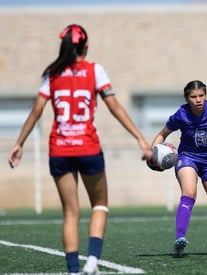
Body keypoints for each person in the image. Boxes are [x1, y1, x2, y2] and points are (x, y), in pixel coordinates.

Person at [8, 24, 152, 275]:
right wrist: (140, 137)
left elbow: (37, 110)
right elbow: (114, 107)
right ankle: (92, 261)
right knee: (100, 205)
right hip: (87, 148)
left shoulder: (51, 74)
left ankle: (74, 271)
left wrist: (19, 142)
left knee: (70, 213)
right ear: (86, 46)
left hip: (60, 150)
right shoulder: (95, 70)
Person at [148, 80, 207, 257]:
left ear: (205, 96)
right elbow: (162, 135)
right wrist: (153, 155)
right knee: (189, 193)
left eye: (201, 96)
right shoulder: (180, 115)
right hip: (187, 157)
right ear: (187, 98)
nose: (198, 100)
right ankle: (179, 240)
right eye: (193, 97)